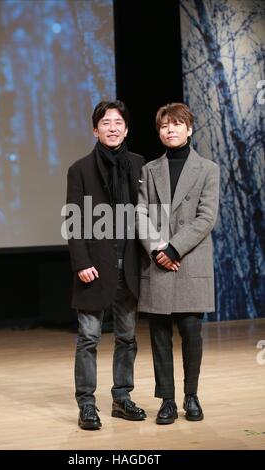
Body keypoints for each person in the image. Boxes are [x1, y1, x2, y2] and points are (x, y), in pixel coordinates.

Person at [136, 103, 220, 424]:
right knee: (159, 335)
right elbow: (140, 213)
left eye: (176, 124)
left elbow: (206, 218)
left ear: (189, 128)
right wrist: (159, 248)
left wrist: (174, 248)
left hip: (189, 260)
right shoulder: (149, 169)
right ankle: (167, 400)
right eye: (164, 126)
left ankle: (191, 396)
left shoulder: (208, 169)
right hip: (158, 261)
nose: (170, 130)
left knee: (191, 333)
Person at [66, 100, 146, 430]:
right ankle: (86, 404)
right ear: (95, 129)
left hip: (129, 267)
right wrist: (81, 262)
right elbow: (74, 220)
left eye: (118, 123)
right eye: (106, 122)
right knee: (89, 338)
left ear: (126, 129)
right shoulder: (80, 169)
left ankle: (121, 398)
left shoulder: (140, 165)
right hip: (94, 268)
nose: (112, 128)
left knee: (127, 338)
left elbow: (149, 217)